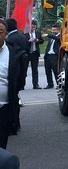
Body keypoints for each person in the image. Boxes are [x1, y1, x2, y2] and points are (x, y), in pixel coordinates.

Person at [0, 18, 27, 149]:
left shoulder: (14, 54)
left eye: (0, 32)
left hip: (3, 110)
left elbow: (20, 80)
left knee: (1, 147)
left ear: (6, 34)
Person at [25, 20, 44, 89]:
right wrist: (28, 41)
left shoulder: (38, 33)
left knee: (35, 70)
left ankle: (35, 84)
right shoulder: (25, 33)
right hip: (27, 53)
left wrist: (37, 40)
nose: (33, 28)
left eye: (34, 27)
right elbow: (22, 42)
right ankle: (22, 84)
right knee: (24, 69)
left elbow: (42, 41)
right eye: (32, 27)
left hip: (35, 53)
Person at [43, 24, 61, 89]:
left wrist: (48, 35)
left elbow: (58, 39)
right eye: (52, 30)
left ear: (58, 29)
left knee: (56, 71)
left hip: (54, 56)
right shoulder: (51, 37)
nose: (53, 31)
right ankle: (50, 84)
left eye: (55, 30)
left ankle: (59, 84)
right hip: (48, 56)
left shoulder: (60, 36)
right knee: (47, 71)